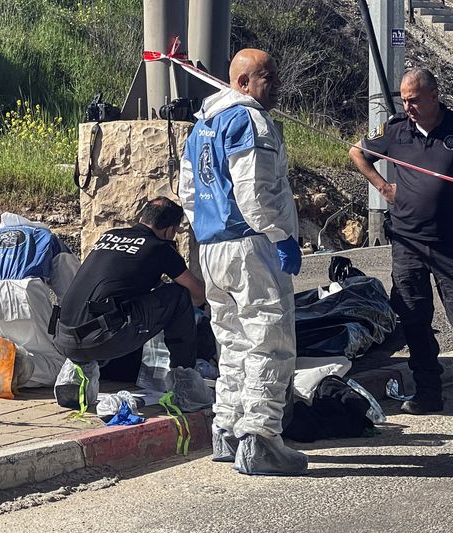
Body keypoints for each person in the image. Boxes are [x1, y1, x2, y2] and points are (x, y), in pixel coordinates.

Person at [178, 48, 307, 476]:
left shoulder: (201, 128)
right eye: (268, 77)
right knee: (270, 338)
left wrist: (208, 233)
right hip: (251, 245)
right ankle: (263, 437)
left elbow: (190, 194)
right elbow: (256, 191)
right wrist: (280, 235)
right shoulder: (250, 120)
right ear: (243, 82)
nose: (276, 85)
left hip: (213, 248)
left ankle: (228, 428)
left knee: (231, 342)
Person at [348, 68, 453, 415]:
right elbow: (356, 152)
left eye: (414, 99)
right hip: (407, 241)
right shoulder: (395, 129)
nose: (407, 105)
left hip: (450, 242)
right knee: (414, 317)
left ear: (434, 95)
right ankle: (428, 391)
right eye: (403, 99)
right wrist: (382, 186)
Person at [52, 197, 205, 405]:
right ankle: (186, 387)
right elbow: (196, 293)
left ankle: (75, 380)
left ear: (142, 217)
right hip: (104, 339)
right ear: (170, 230)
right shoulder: (160, 248)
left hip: (64, 337)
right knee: (178, 295)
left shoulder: (109, 236)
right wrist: (192, 314)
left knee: (102, 308)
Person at [0, 213, 80, 399]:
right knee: (57, 366)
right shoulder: (47, 238)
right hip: (21, 293)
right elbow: (73, 290)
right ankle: (17, 367)